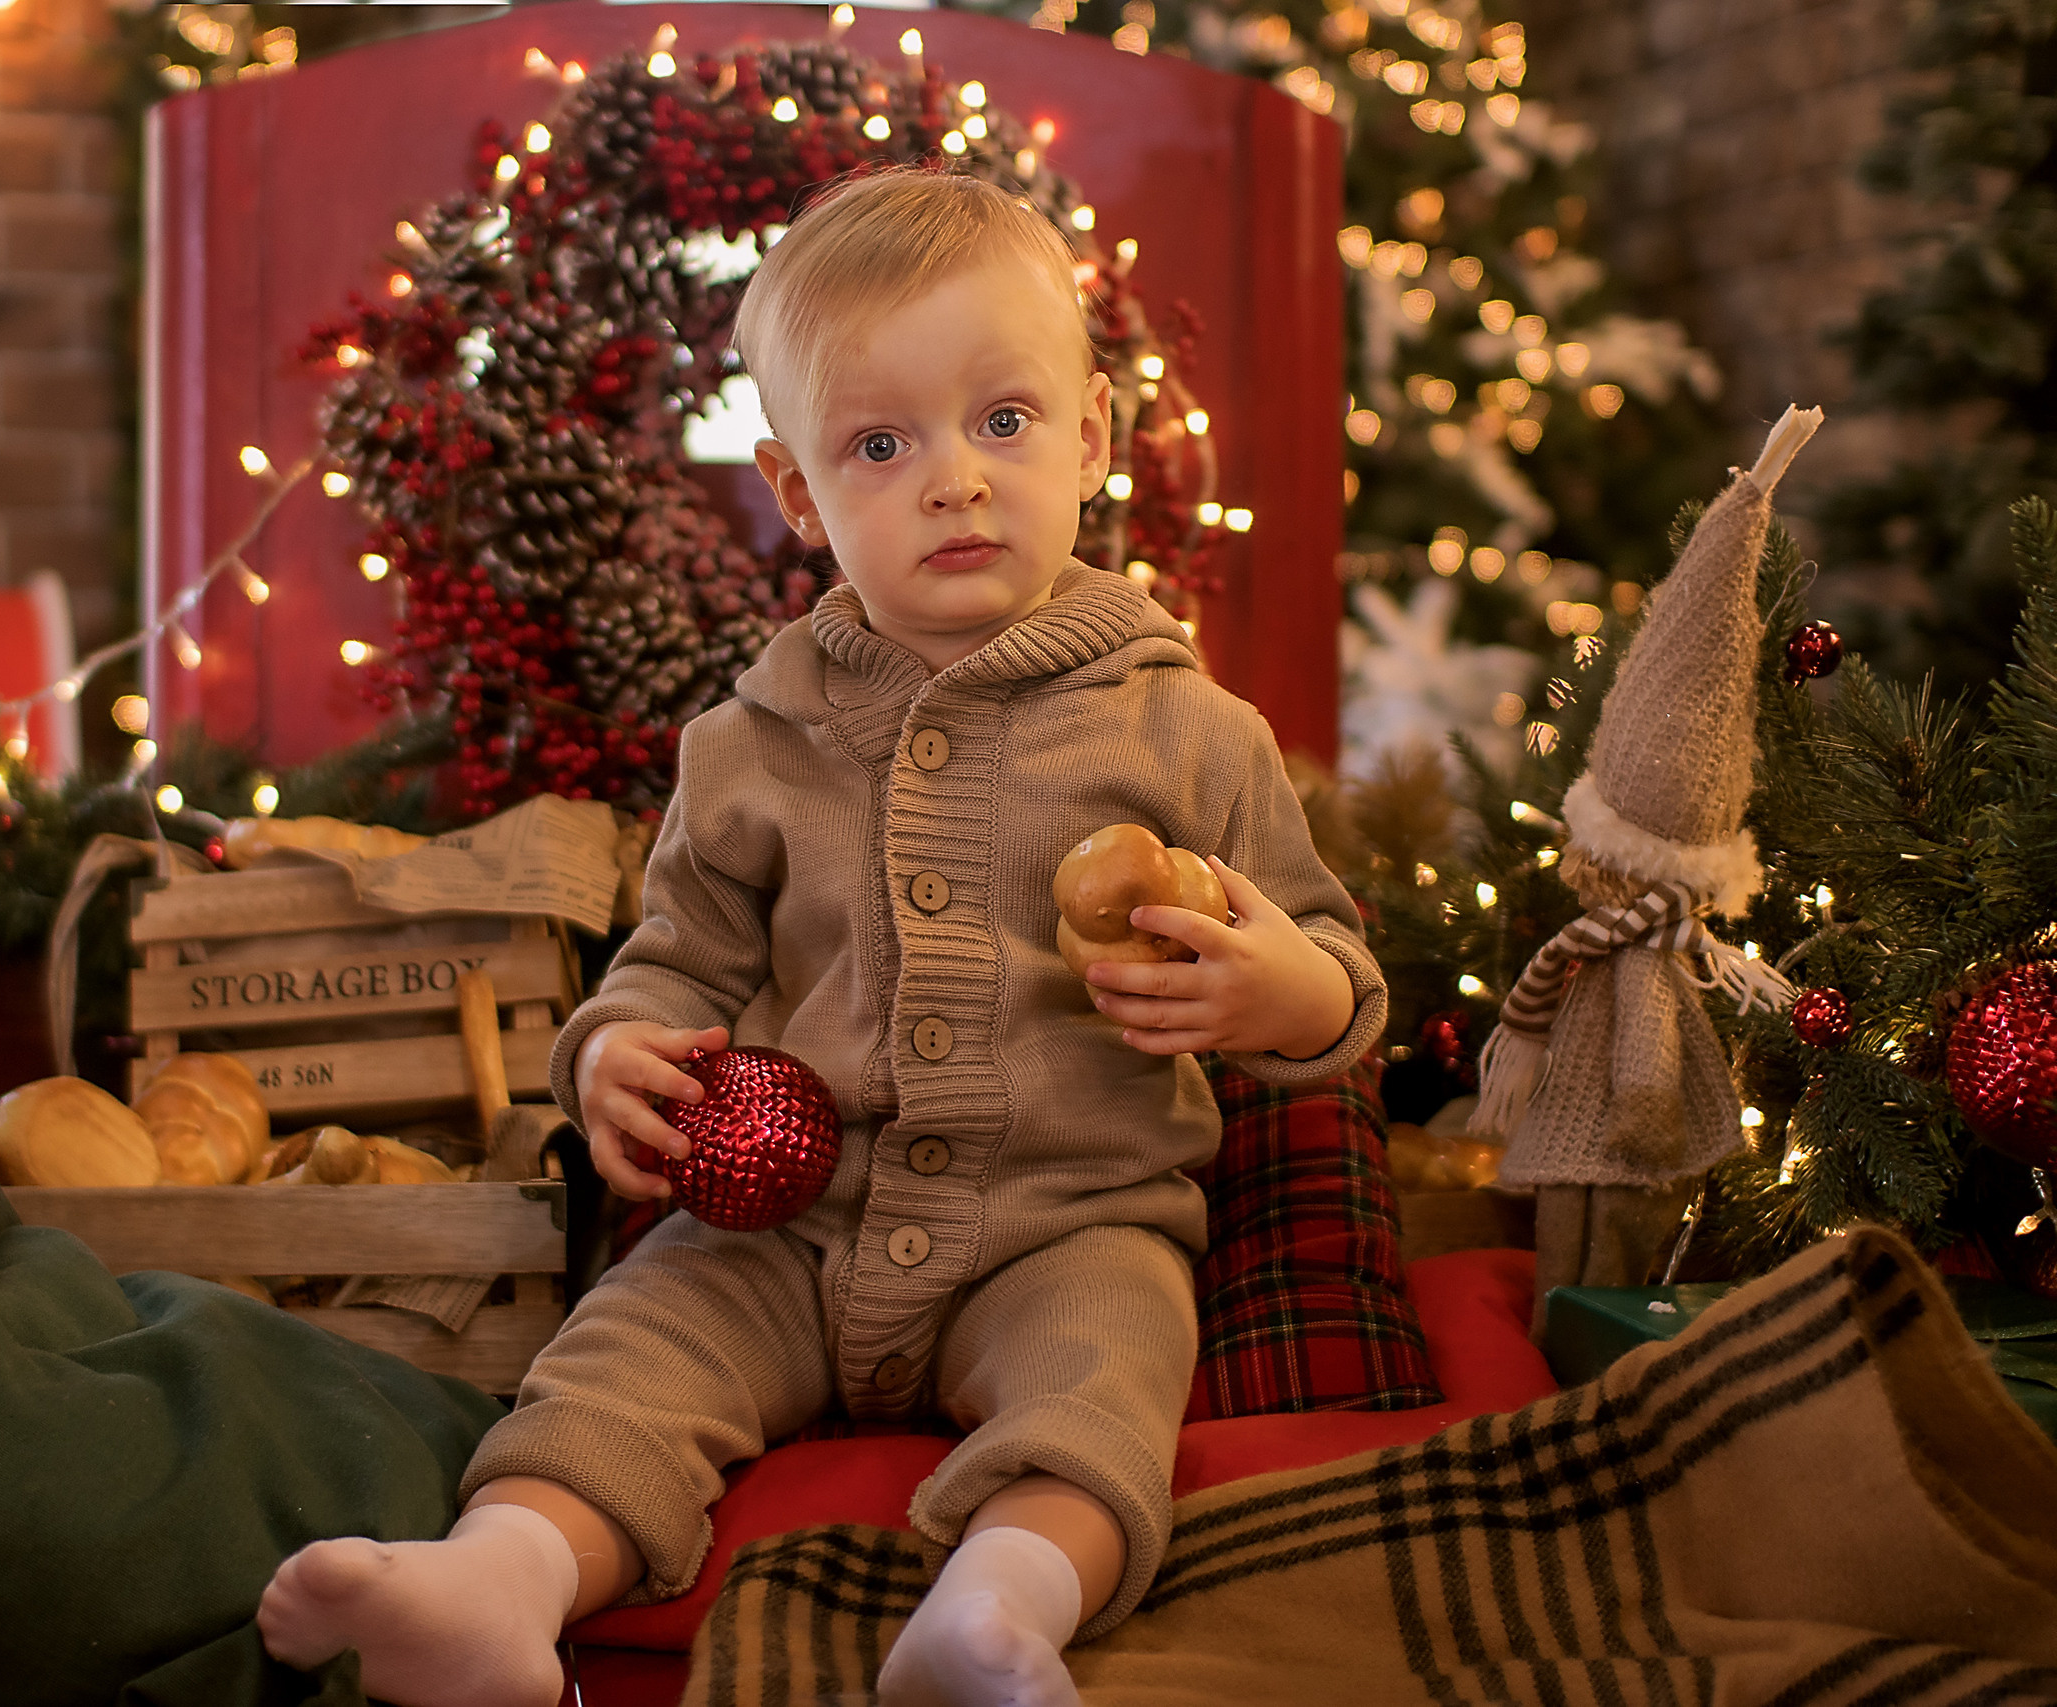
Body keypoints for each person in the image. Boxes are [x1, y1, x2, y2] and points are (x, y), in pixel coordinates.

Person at [257, 166, 1385, 1707]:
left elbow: (1339, 983)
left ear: (1094, 438)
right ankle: (501, 1582)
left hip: (1068, 1219)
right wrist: (614, 1061)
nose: (957, 482)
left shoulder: (1186, 727)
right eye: (881, 444)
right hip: (789, 1224)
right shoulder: (752, 742)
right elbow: (675, 961)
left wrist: (1279, 986)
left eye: (1004, 422)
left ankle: (995, 1613)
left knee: (1107, 1380)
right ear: (798, 493)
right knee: (625, 1352)